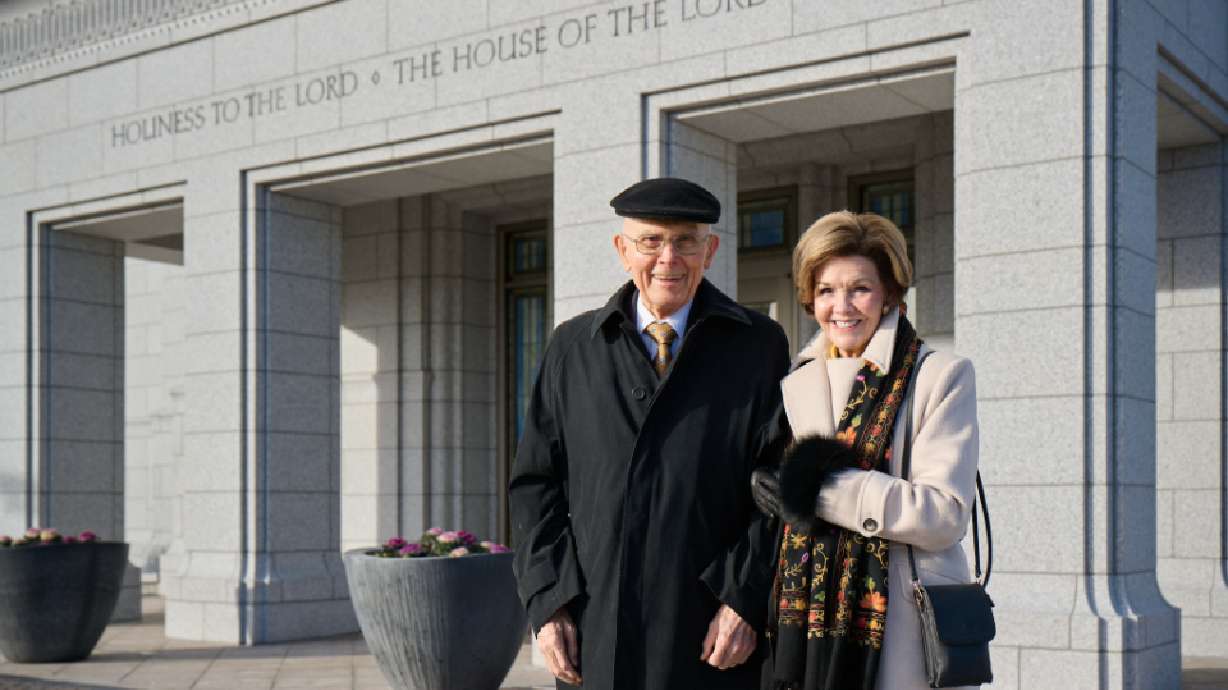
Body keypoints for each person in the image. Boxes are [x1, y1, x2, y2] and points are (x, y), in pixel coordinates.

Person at [509, 177, 791, 690]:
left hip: (712, 635)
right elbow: (536, 488)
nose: (669, 258)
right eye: (651, 241)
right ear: (622, 250)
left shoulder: (758, 346)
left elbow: (774, 490)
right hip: (595, 633)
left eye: (686, 241)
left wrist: (743, 601)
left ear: (711, 251)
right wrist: (549, 605)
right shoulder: (572, 348)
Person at [751, 211, 980, 690]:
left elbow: (945, 515)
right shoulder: (795, 383)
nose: (842, 306)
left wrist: (817, 490)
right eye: (827, 290)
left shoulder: (939, 376)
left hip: (899, 631)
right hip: (810, 632)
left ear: (890, 292)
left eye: (859, 288)